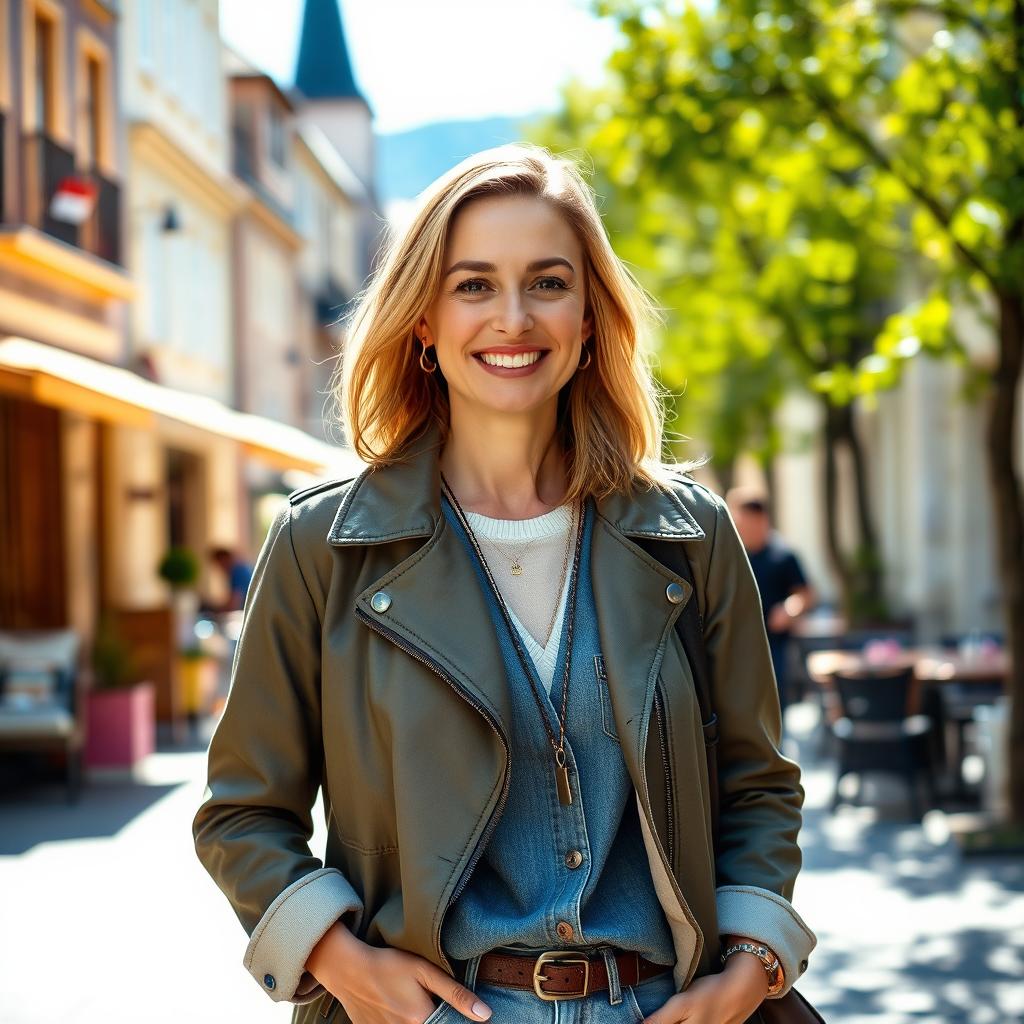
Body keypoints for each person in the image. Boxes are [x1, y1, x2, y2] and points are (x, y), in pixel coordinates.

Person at [192, 143, 816, 1024]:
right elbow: (243, 813)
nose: (513, 318)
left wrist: (751, 968)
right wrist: (343, 963)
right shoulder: (322, 545)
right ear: (423, 319)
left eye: (549, 283)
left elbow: (758, 787)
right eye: (474, 284)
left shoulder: (692, 537)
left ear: (591, 314)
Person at [725, 487, 816, 718]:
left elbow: (806, 594)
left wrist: (790, 609)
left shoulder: (783, 555)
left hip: (775, 645)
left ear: (762, 520)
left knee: (774, 706)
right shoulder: (731, 555)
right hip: (736, 643)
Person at [207, 546, 254, 613]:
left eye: (219, 563)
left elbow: (235, 602)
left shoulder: (238, 571)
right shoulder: (238, 569)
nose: (219, 568)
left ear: (225, 559)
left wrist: (216, 610)